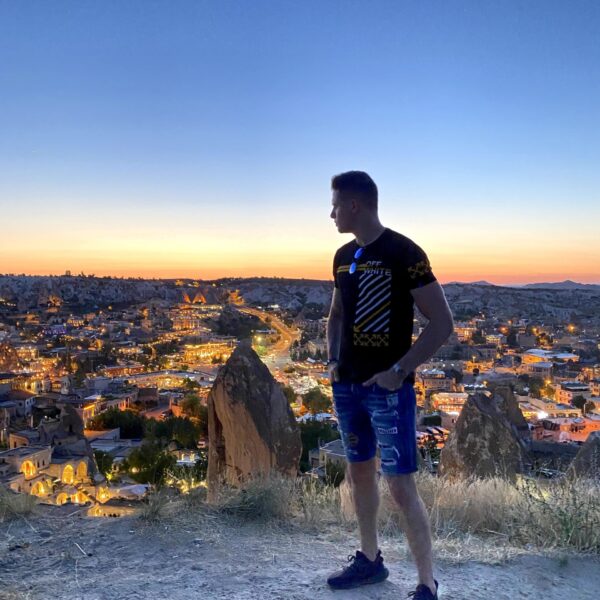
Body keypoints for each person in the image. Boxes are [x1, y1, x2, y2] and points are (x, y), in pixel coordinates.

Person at [326, 171, 454, 599]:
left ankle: (426, 582)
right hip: (348, 386)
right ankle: (370, 559)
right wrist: (332, 362)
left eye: (336, 205)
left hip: (388, 389)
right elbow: (337, 316)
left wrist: (399, 371)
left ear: (355, 206)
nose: (331, 214)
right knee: (359, 472)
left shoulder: (405, 253)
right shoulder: (343, 256)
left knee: (400, 484)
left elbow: (442, 322)